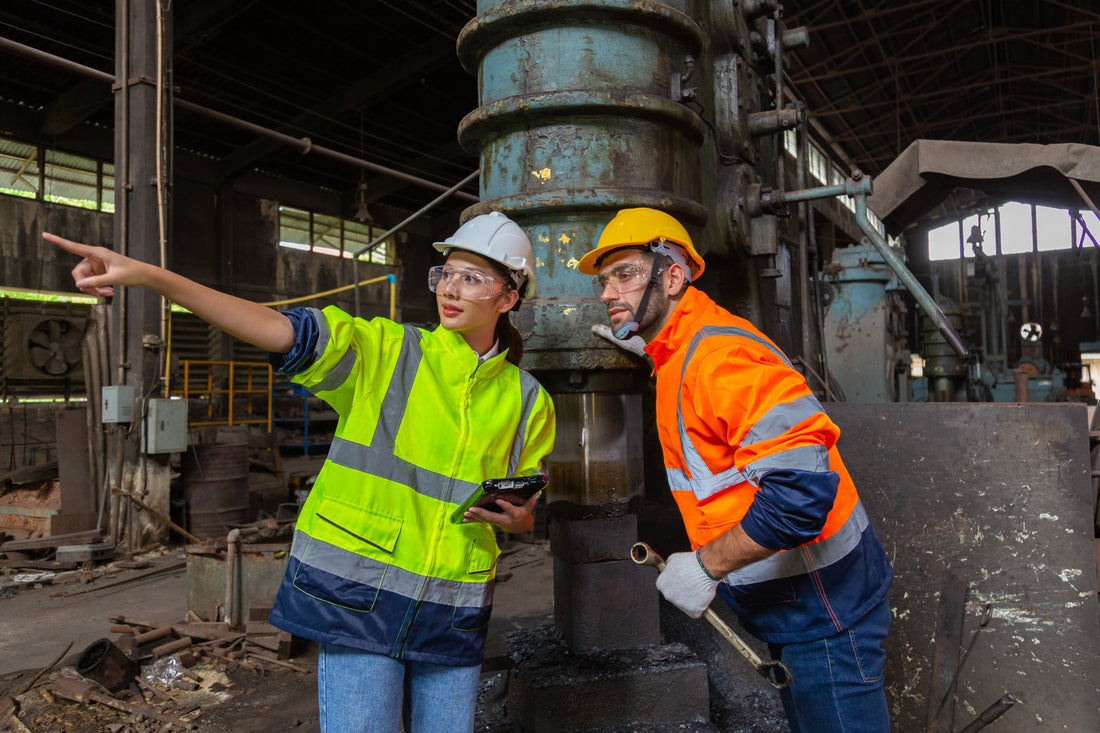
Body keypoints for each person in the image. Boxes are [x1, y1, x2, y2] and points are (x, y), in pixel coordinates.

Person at [44, 209, 556, 733]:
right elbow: (278, 328)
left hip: (452, 611)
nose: (451, 288)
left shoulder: (528, 400)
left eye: (472, 278)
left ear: (508, 296)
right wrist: (152, 277)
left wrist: (517, 522)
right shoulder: (388, 353)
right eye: (446, 273)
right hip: (360, 600)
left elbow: (519, 506)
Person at [578, 207, 893, 732]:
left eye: (627, 274)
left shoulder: (719, 356)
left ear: (673, 275)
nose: (610, 293)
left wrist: (705, 566)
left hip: (826, 607)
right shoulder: (679, 351)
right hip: (799, 606)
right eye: (604, 281)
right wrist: (646, 346)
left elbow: (800, 496)